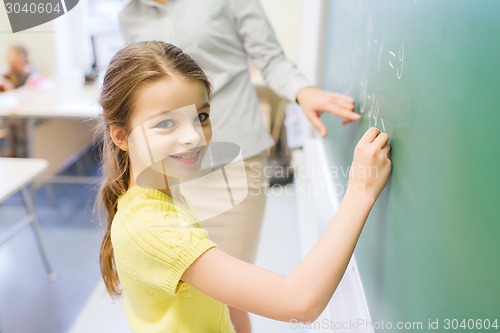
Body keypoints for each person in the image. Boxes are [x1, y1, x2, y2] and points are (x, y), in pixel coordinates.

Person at [98, 41, 391, 333]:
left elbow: (210, 294)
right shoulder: (154, 226)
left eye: (201, 116)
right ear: (121, 136)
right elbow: (299, 302)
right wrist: (360, 191)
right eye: (165, 124)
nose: (194, 137)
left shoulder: (158, 190)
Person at [0, 45, 37, 157]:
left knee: (21, 124)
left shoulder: (30, 72)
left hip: (26, 110)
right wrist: (6, 84)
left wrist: (28, 75)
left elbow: (32, 91)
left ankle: (24, 154)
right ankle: (14, 153)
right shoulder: (5, 73)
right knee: (12, 122)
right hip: (10, 111)